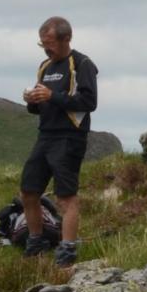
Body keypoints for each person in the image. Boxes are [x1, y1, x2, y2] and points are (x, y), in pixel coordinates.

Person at [19, 16, 98, 267]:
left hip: (69, 137)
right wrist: (32, 101)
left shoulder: (82, 64)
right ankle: (36, 242)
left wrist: (54, 95)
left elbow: (88, 103)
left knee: (66, 197)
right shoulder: (44, 66)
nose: (46, 49)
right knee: (29, 191)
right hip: (45, 135)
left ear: (66, 39)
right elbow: (40, 107)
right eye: (42, 44)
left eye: (50, 43)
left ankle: (67, 252)